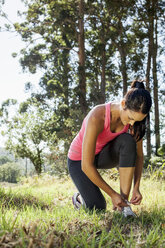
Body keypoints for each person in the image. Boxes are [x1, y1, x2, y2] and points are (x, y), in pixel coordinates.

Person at [67, 81, 152, 217]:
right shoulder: (98, 116)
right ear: (123, 104)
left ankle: (123, 206)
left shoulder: (135, 123)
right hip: (79, 160)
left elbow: (139, 156)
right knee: (97, 207)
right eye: (130, 118)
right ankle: (79, 198)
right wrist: (112, 194)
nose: (132, 123)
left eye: (137, 121)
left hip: (103, 155)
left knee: (128, 140)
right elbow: (86, 165)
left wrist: (136, 187)